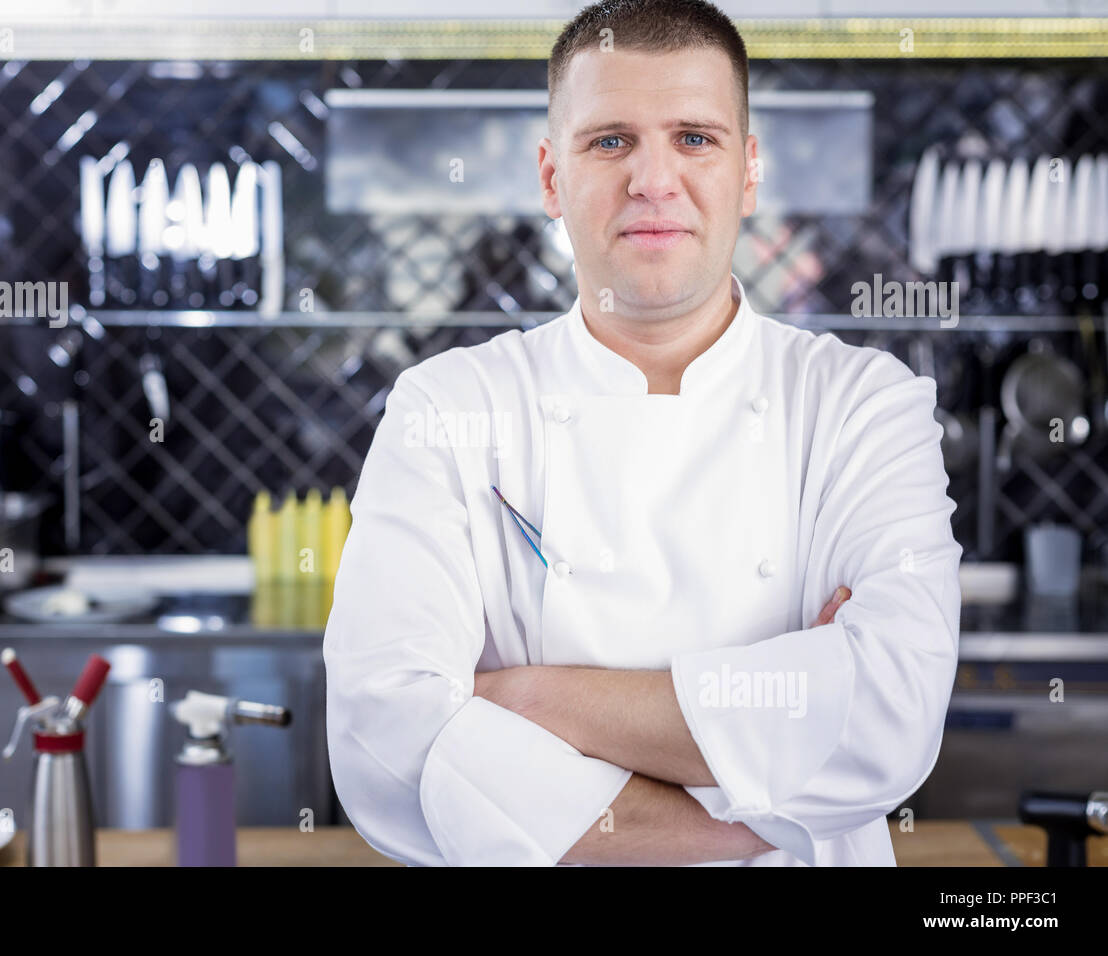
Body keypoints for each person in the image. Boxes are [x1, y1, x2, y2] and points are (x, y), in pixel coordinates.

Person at [323, 0, 962, 866]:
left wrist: (520, 699)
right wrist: (753, 811)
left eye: (695, 138)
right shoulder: (446, 408)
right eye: (611, 140)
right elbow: (384, 736)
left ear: (748, 172)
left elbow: (889, 715)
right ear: (552, 176)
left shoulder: (861, 406)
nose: (654, 180)